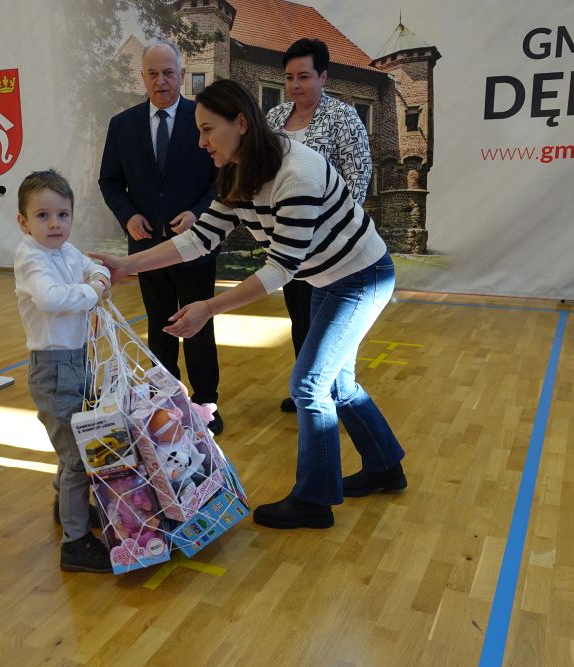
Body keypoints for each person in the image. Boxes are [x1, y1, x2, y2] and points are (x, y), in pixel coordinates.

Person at [91, 80, 406, 530]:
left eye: (207, 130)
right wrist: (128, 265)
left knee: (310, 386)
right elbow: (199, 239)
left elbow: (280, 270)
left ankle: (314, 501)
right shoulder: (238, 170)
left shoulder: (297, 174)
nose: (201, 143)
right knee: (336, 384)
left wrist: (207, 307)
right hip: (327, 276)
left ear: (240, 123)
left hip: (361, 276)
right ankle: (385, 467)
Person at [99, 38, 224, 435]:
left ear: (182, 75)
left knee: (198, 326)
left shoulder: (203, 119)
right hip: (147, 245)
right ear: (143, 77)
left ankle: (206, 404)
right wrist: (128, 216)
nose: (161, 80)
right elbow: (109, 181)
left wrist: (199, 213)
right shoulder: (122, 125)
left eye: (168, 72)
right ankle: (166, 402)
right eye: (152, 73)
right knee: (159, 326)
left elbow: (221, 178)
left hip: (196, 246)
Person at [13, 169, 113, 572]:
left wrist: (98, 279)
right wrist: (94, 291)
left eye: (63, 215)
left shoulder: (66, 251)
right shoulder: (31, 257)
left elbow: (95, 268)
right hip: (53, 370)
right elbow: (51, 299)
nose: (54, 224)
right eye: (43, 216)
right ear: (23, 222)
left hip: (78, 360)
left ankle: (65, 505)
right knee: (77, 458)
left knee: (75, 442)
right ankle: (76, 544)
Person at [266, 38, 372, 413]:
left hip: (332, 248)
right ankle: (306, 390)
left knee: (330, 326)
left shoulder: (344, 118)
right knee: (300, 320)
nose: (295, 85)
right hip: (289, 242)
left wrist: (333, 232)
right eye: (289, 77)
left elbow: (358, 178)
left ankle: (334, 393)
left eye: (304, 76)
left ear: (323, 77)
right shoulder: (274, 119)